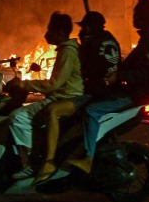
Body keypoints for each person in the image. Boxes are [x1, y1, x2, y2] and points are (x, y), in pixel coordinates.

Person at [69, 0, 149, 174]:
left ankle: (88, 158)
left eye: (136, 13)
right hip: (133, 90)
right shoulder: (147, 38)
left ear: (144, 16)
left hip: (137, 94)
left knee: (92, 111)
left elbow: (146, 72)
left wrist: (119, 76)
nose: (133, 16)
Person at [35, 11, 120, 182]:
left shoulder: (88, 46)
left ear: (88, 28)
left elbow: (85, 72)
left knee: (52, 110)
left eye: (82, 28)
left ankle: (51, 161)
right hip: (108, 91)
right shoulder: (110, 40)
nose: (79, 33)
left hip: (95, 94)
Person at [7, 12, 84, 180]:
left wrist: (24, 84)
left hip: (65, 98)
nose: (46, 34)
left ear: (61, 33)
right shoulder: (68, 50)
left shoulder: (67, 52)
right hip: (65, 97)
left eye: (50, 30)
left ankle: (29, 164)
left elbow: (53, 84)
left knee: (17, 117)